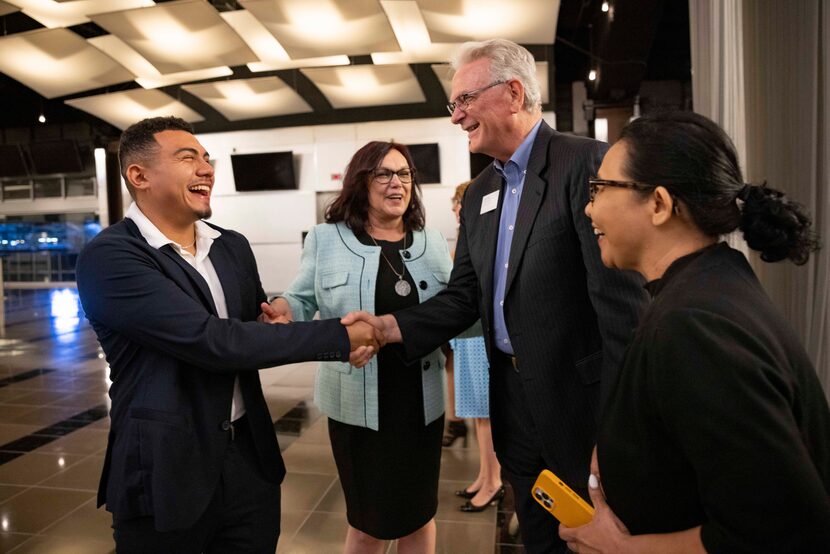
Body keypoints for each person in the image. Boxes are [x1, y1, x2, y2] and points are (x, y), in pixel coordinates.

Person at [343, 39, 648, 553]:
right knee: (538, 535)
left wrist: (617, 429)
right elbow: (465, 295)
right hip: (513, 406)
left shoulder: (586, 164)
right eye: (453, 105)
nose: (457, 116)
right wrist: (388, 327)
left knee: (599, 540)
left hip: (582, 410)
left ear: (511, 92)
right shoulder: (482, 190)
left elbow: (624, 311)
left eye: (465, 100)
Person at [76, 117, 380, 554]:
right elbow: (214, 342)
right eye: (187, 158)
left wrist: (272, 324)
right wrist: (338, 337)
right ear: (138, 176)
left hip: (248, 460)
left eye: (206, 158)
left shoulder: (230, 244)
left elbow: (248, 328)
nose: (206, 169)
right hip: (167, 466)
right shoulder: (110, 257)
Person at [559, 111, 830, 553]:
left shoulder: (693, 324)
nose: (590, 207)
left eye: (600, 189)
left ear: (660, 204)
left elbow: (780, 530)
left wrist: (618, 548)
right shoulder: (708, 283)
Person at [261, 141, 453, 554]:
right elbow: (301, 297)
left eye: (404, 174)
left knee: (420, 515)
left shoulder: (431, 242)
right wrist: (281, 308)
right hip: (358, 407)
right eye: (383, 174)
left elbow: (456, 308)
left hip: (421, 402)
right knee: (367, 523)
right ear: (360, 182)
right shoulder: (327, 238)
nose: (396, 183)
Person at [448, 180, 504, 512]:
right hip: (466, 334)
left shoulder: (485, 237)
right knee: (479, 417)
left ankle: (494, 480)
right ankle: (485, 475)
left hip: (480, 334)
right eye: (456, 203)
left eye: (460, 203)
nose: (457, 209)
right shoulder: (467, 237)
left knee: (486, 416)